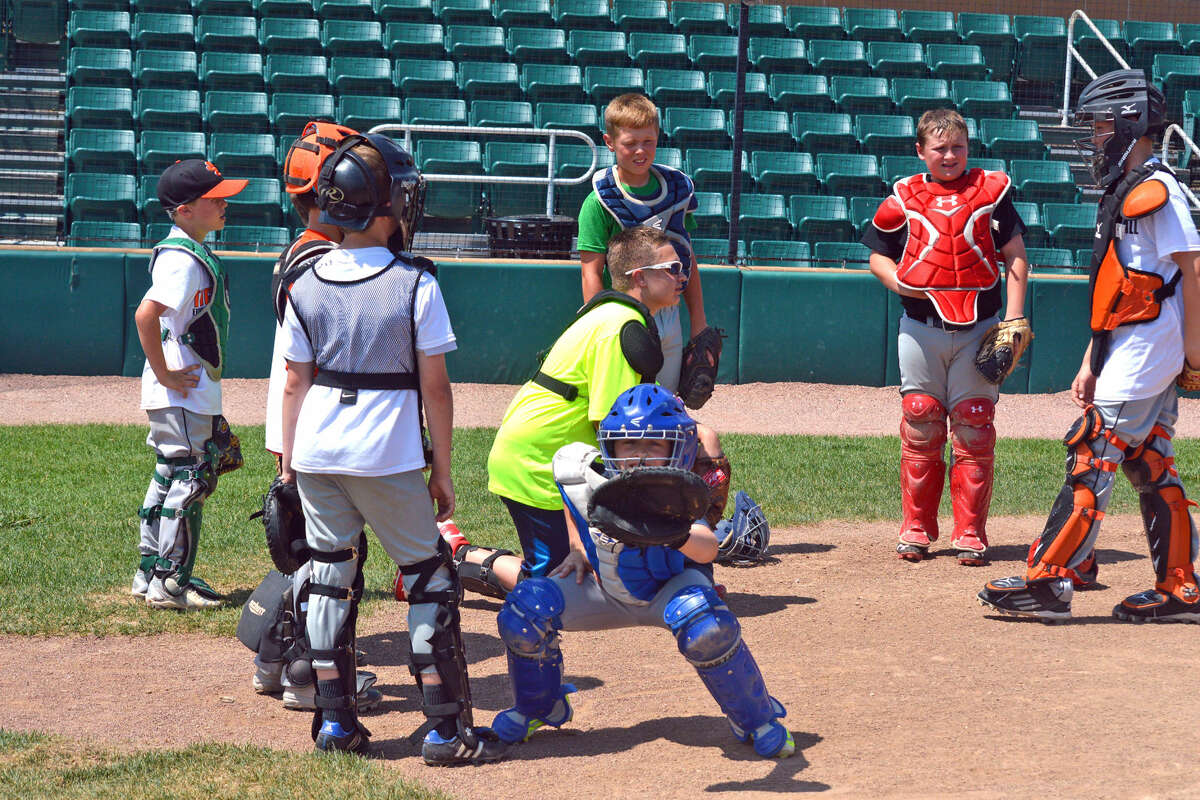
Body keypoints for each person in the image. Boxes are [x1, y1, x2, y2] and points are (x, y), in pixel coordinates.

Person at [278, 132, 509, 763]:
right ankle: (443, 729)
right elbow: (435, 388)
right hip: (386, 450)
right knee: (430, 578)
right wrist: (443, 470)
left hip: (320, 448)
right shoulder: (415, 284)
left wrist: (291, 464)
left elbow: (294, 381)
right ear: (381, 208)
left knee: (329, 577)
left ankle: (333, 724)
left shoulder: (306, 279)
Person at [979, 69, 1200, 623]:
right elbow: (1116, 288)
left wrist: (1196, 354)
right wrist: (1090, 360)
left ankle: (1050, 581)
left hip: (1153, 345)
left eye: (1101, 123)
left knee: (1094, 449)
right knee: (1150, 460)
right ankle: (1180, 588)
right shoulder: (1125, 188)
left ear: (1131, 122)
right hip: (1130, 343)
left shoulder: (1161, 190)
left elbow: (1194, 273)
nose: (1095, 136)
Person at [489, 384, 795, 759]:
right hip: (603, 590)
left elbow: (708, 546)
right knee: (524, 610)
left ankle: (755, 717)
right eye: (629, 444)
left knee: (707, 626)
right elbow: (571, 499)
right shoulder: (580, 472)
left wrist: (674, 534)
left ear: (677, 448)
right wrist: (575, 548)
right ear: (609, 445)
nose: (639, 456)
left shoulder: (681, 493)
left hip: (669, 590)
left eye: (653, 445)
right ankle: (540, 707)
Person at [863, 108, 1030, 566]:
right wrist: (900, 282)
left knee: (975, 425)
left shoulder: (992, 193)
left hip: (979, 326)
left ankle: (970, 533)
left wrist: (1014, 319)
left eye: (958, 147)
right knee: (921, 421)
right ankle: (916, 529)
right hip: (921, 327)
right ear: (921, 152)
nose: (950, 155)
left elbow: (1015, 255)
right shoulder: (902, 197)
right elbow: (877, 254)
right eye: (940, 148)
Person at [486, 225, 683, 576]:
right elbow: (613, 429)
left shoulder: (622, 317)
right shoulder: (619, 328)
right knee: (557, 583)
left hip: (557, 456)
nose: (680, 277)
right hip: (538, 463)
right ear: (639, 277)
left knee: (598, 576)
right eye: (671, 269)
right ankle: (459, 557)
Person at [132, 159, 246, 610]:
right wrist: (164, 374)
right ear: (184, 210)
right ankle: (171, 582)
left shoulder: (187, 251)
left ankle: (150, 574)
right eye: (213, 199)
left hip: (180, 388)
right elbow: (146, 314)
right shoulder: (181, 257)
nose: (224, 205)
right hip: (181, 387)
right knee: (192, 474)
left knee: (168, 472)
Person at [577, 93, 708, 394]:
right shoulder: (598, 202)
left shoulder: (677, 191)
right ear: (609, 142)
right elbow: (591, 272)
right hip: (624, 313)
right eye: (630, 143)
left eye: (648, 141)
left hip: (669, 310)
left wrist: (699, 322)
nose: (640, 150)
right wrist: (601, 329)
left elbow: (687, 258)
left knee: (665, 404)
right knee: (620, 404)